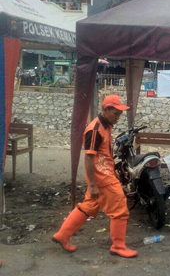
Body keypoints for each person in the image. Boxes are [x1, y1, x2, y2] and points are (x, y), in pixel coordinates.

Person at [52, 95, 138, 258]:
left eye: (120, 114)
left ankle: (62, 235)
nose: (118, 117)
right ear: (105, 110)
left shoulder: (105, 126)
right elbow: (88, 157)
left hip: (102, 175)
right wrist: (92, 185)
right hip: (103, 177)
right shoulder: (95, 129)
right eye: (115, 113)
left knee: (89, 206)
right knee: (120, 210)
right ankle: (118, 246)